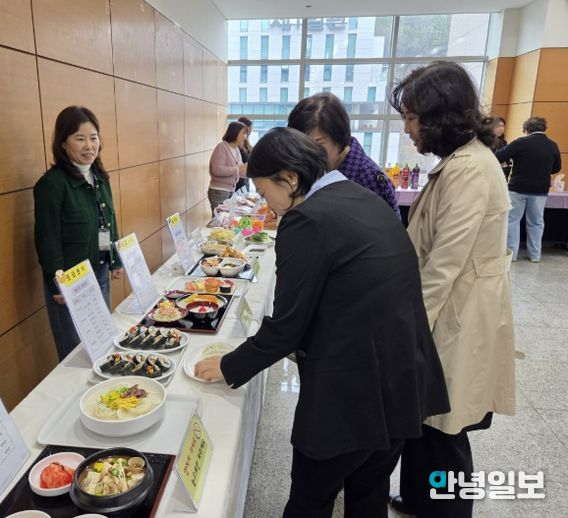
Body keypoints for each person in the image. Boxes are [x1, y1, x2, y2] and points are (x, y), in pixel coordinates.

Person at [194, 127, 449, 518]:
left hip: (352, 394)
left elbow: (286, 328)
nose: (267, 204)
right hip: (404, 382)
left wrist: (229, 365)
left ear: (290, 178)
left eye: (265, 191)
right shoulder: (362, 197)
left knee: (310, 500)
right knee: (369, 495)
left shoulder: (306, 219)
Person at [388, 61, 516, 518]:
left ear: (439, 117)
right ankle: (419, 498)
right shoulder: (460, 163)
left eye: (412, 118)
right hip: (450, 313)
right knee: (425, 419)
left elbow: (443, 265)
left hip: (455, 318)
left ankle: (446, 509)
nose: (407, 128)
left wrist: (405, 332)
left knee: (445, 429)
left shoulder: (470, 171)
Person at [34, 106, 123, 361]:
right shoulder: (52, 184)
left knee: (101, 340)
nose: (89, 146)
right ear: (63, 143)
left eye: (93, 138)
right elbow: (47, 239)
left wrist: (114, 259)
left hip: (100, 271)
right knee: (75, 352)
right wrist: (56, 283)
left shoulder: (99, 177)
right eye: (80, 139)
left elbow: (106, 223)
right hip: (70, 282)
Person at [287, 92, 400, 217]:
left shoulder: (368, 178)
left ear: (338, 137)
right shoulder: (323, 171)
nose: (307, 154)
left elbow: (385, 227)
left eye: (317, 145)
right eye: (300, 146)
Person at [495, 116, 562, 262]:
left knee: (513, 220)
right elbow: (556, 168)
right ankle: (535, 255)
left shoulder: (520, 142)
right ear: (544, 128)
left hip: (517, 188)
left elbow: (498, 156)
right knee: (536, 222)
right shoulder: (553, 145)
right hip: (540, 190)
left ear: (526, 129)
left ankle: (512, 254)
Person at [208, 121, 248, 211]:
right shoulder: (222, 147)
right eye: (243, 133)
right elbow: (217, 169)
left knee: (227, 217)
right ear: (235, 133)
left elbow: (240, 171)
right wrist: (238, 169)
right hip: (219, 191)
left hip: (230, 191)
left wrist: (249, 170)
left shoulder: (236, 149)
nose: (245, 136)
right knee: (219, 218)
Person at [236, 116, 253, 192]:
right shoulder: (237, 145)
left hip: (245, 177)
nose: (250, 132)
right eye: (250, 129)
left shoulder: (246, 142)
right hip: (239, 180)